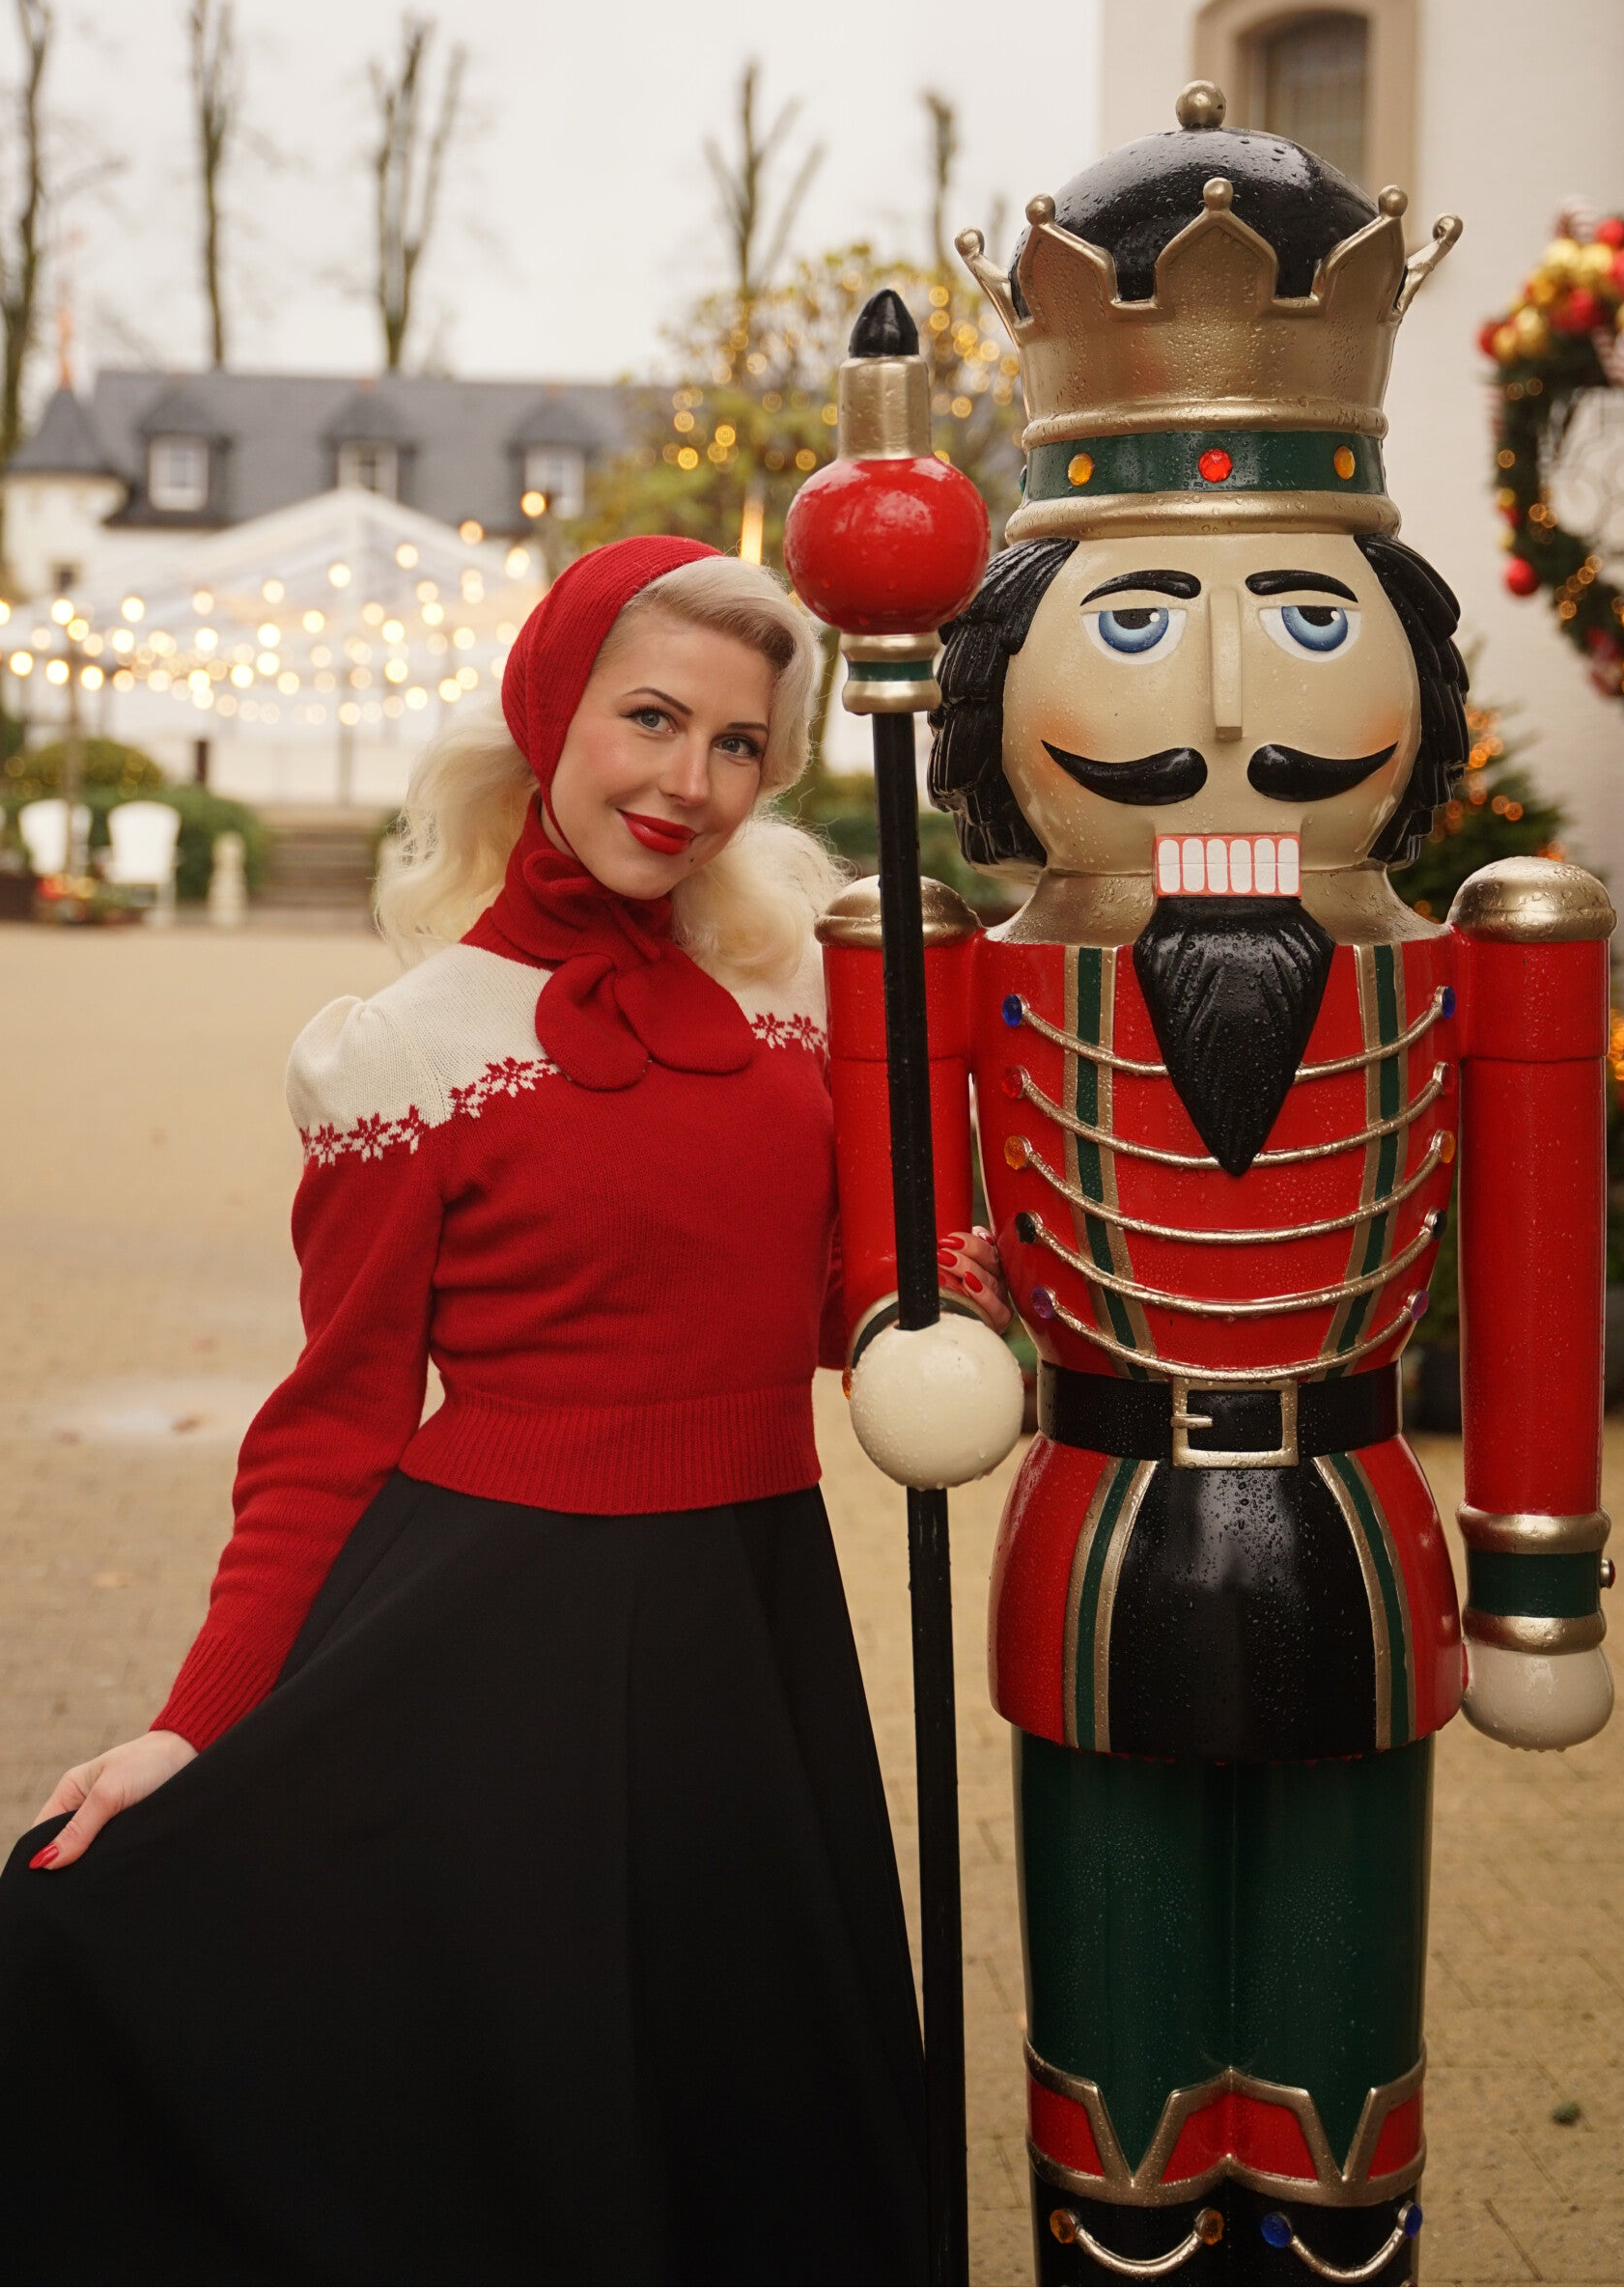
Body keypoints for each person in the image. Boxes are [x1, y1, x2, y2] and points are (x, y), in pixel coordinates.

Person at [0, 535, 1006, 2288]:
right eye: (648, 718)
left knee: (735, 2096)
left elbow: (830, 1310)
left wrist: (931, 1307)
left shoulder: (793, 1009)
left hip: (750, 1632)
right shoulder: (400, 1048)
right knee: (519, 2115)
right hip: (495, 1646)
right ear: (548, 713)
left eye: (738, 744)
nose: (687, 783)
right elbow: (329, 1423)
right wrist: (191, 1722)